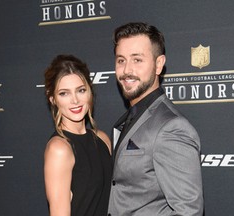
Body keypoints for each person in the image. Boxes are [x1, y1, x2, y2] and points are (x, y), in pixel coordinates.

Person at [108, 22, 204, 216]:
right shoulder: (130, 117)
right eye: (121, 60)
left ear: (158, 64)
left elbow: (189, 212)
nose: (127, 70)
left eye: (137, 60)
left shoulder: (172, 127)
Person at [43, 54, 112, 216]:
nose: (75, 100)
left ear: (89, 91)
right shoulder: (59, 149)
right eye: (64, 93)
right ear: (52, 98)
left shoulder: (102, 139)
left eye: (80, 90)